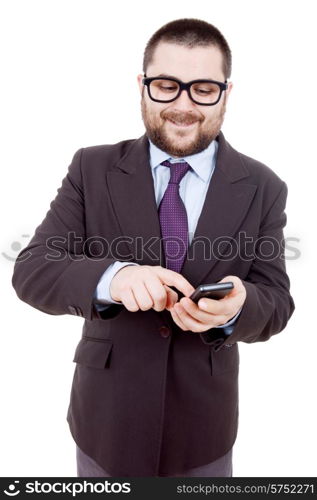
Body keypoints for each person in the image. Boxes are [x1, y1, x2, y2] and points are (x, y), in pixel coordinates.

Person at [12, 18, 295, 477]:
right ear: (142, 86)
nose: (183, 106)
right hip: (106, 421)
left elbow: (277, 301)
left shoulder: (264, 186)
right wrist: (115, 277)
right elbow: (33, 269)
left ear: (226, 92)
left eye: (203, 88)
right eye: (167, 85)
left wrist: (240, 307)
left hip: (204, 430)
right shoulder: (92, 167)